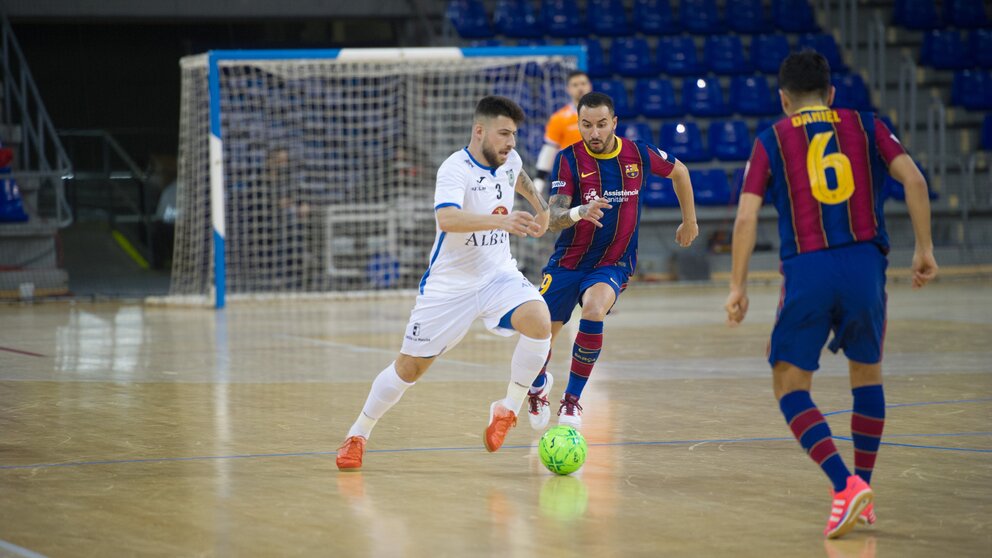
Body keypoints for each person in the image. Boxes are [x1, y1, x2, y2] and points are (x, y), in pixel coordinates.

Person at [724, 50, 939, 539]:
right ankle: (862, 489)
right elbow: (915, 180)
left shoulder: (772, 139)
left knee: (789, 384)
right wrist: (924, 248)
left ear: (784, 100)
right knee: (867, 373)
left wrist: (738, 286)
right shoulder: (868, 125)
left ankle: (844, 485)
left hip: (809, 267)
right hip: (866, 263)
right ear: (832, 94)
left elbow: (745, 217)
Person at [336, 96, 553, 471]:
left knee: (539, 320)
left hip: (498, 274)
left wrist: (542, 207)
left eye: (514, 135)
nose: (510, 143)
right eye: (504, 134)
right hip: (450, 286)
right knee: (409, 370)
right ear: (479, 131)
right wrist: (502, 222)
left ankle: (508, 408)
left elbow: (517, 177)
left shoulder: (510, 159)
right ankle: (358, 432)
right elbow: (449, 220)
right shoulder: (455, 168)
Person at [525, 91, 699, 431]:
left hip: (613, 263)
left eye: (602, 125)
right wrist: (580, 211)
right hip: (568, 261)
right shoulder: (569, 159)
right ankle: (537, 384)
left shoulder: (638, 153)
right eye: (587, 125)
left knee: (594, 308)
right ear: (579, 124)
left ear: (614, 123)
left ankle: (572, 400)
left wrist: (689, 220)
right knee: (539, 337)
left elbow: (680, 172)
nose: (594, 133)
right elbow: (555, 217)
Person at [533, 71, 593, 195]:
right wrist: (539, 181)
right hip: (570, 177)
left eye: (583, 83)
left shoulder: (603, 115)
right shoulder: (559, 118)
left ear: (590, 86)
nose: (580, 88)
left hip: (598, 173)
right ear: (568, 89)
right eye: (575, 85)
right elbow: (549, 151)